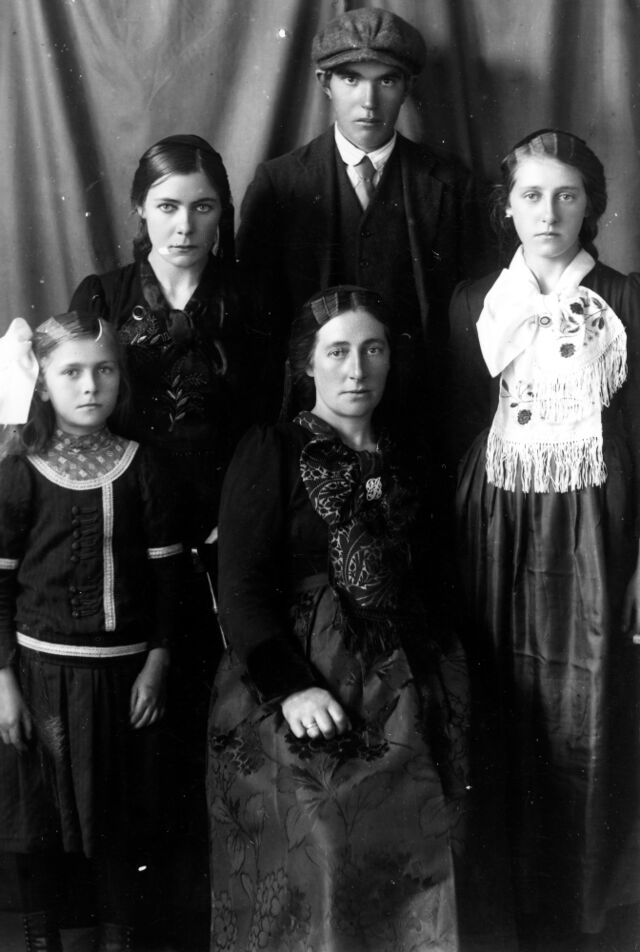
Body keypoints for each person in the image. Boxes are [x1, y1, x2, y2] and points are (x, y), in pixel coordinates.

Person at [206, 286, 468, 952]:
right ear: (307, 363)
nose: (357, 370)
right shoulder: (270, 449)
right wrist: (292, 689)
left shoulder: (410, 454)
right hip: (300, 676)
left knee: (439, 831)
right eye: (338, 352)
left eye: (373, 350)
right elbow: (240, 590)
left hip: (411, 674)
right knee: (327, 835)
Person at [448, 129, 640, 949]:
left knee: (589, 709)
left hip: (598, 531)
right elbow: (460, 421)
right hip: (495, 526)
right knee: (499, 703)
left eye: (567, 195)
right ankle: (508, 908)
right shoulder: (474, 303)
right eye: (531, 195)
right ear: (507, 207)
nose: (549, 212)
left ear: (592, 205)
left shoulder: (626, 299)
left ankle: (584, 911)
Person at [70, 134, 246, 947]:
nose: (184, 225)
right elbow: (72, 421)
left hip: (220, 538)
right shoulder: (104, 295)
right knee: (135, 734)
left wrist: (236, 518)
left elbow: (268, 426)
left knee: (209, 725)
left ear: (221, 214)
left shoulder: (249, 297)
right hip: (125, 541)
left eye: (202, 207)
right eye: (168, 206)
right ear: (141, 210)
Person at [0, 312, 183, 952]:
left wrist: (158, 662)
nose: (89, 385)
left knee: (121, 826)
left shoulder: (144, 467)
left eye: (104, 370)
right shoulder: (20, 470)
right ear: (42, 383)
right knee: (39, 825)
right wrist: (4, 684)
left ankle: (118, 942)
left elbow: (168, 582)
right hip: (39, 680)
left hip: (124, 681)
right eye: (71, 371)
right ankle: (44, 942)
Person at [237, 6, 490, 424]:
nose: (368, 102)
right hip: (308, 417)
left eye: (386, 81)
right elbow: (255, 322)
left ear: (407, 87)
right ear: (326, 83)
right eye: (351, 79)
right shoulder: (279, 183)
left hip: (421, 416)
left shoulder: (450, 184)